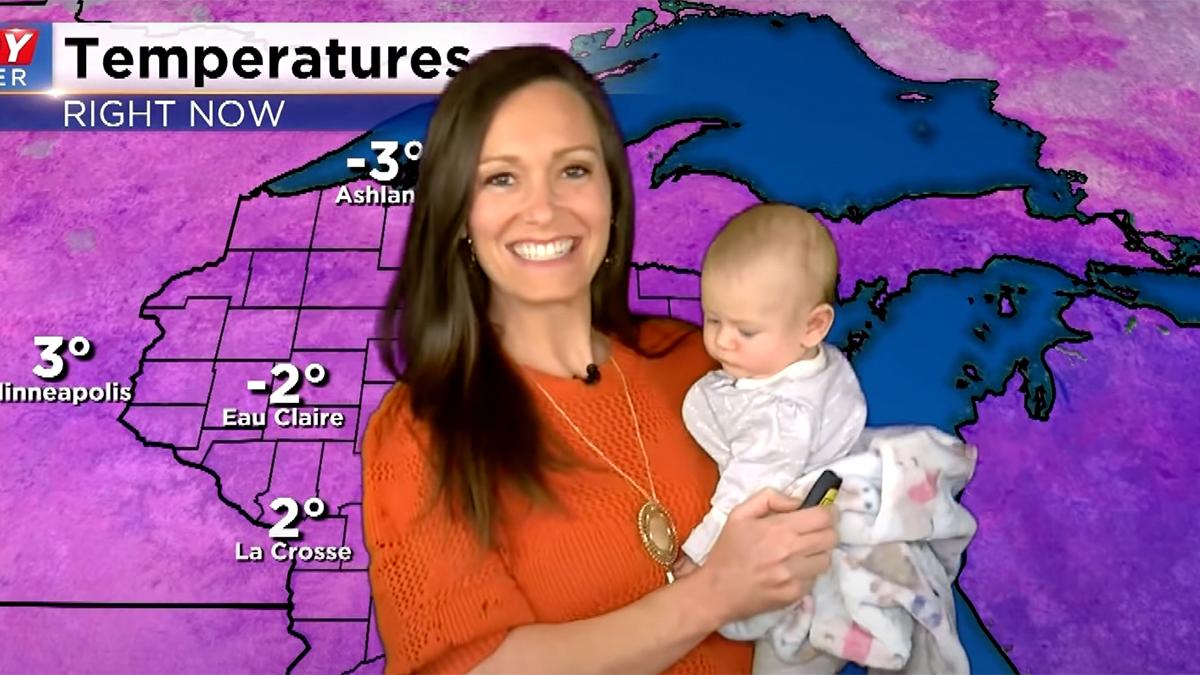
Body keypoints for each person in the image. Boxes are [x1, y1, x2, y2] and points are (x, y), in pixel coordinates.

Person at [360, 45, 841, 675]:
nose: (543, 210)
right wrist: (714, 593)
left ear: (611, 196)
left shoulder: (703, 359)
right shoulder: (422, 432)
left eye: (574, 170)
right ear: (459, 213)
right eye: (502, 177)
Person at [675, 204, 979, 674]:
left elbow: (749, 490)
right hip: (835, 483)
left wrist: (699, 555)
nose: (722, 342)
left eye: (745, 330)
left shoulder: (782, 417)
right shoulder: (809, 359)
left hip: (815, 551)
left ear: (813, 326)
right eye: (713, 319)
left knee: (787, 651)